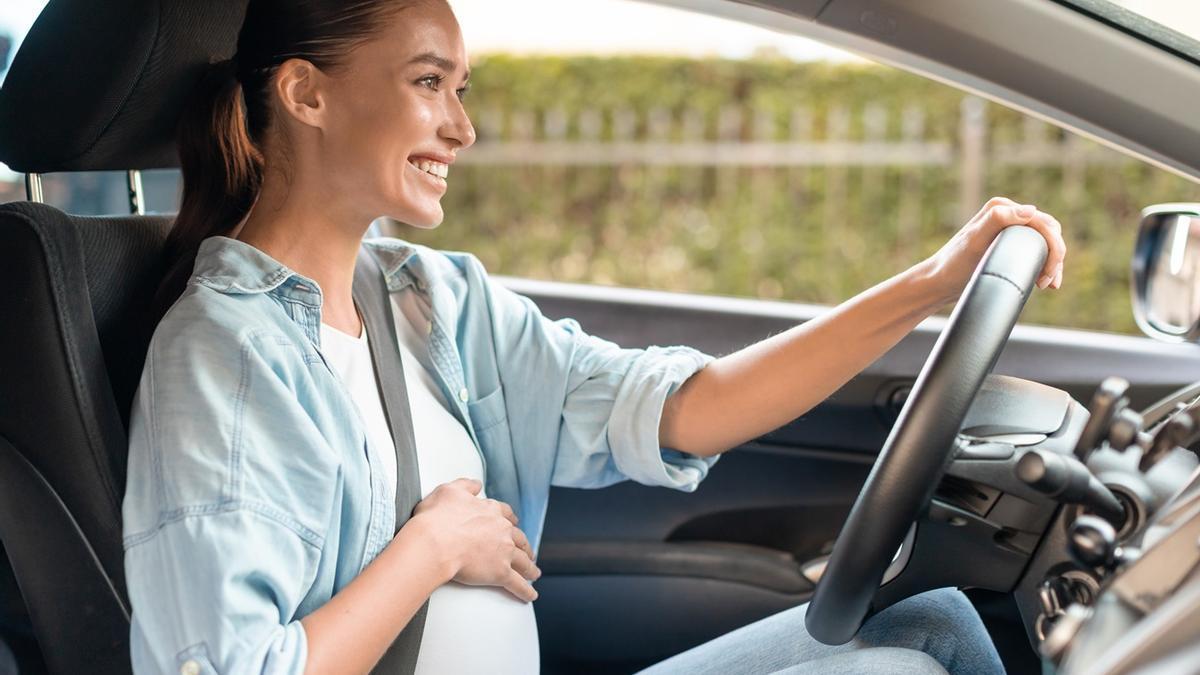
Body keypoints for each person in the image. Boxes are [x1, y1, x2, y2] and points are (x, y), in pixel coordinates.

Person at [121, 0, 1066, 673]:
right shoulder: (227, 355)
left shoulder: (430, 300)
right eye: (429, 82)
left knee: (932, 629)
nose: (463, 126)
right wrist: (434, 546)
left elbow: (688, 409)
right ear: (307, 93)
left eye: (462, 87)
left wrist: (934, 285)